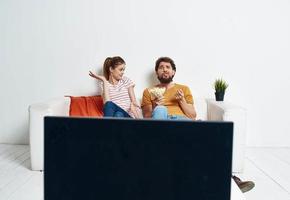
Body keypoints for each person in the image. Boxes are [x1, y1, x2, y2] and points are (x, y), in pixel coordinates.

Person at [141, 56, 255, 193]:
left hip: (181, 122)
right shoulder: (148, 91)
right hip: (160, 123)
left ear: (173, 72)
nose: (164, 70)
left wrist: (182, 100)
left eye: (167, 67)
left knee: (208, 140)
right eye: (161, 67)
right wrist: (155, 105)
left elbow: (192, 115)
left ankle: (231, 180)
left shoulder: (183, 89)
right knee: (160, 110)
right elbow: (147, 118)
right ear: (157, 72)